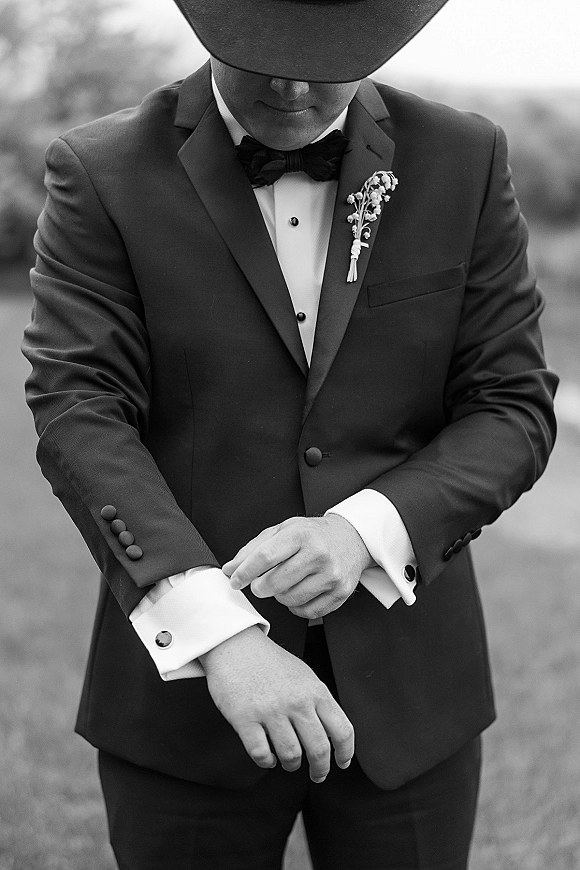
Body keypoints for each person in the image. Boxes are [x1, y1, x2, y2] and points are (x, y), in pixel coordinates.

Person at [22, 0, 558, 867]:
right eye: (267, 54)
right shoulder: (101, 168)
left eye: (331, 57)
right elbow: (80, 409)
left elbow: (512, 403)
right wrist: (221, 636)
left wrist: (364, 531)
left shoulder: (465, 156)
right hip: (185, 711)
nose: (297, 84)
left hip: (413, 700)